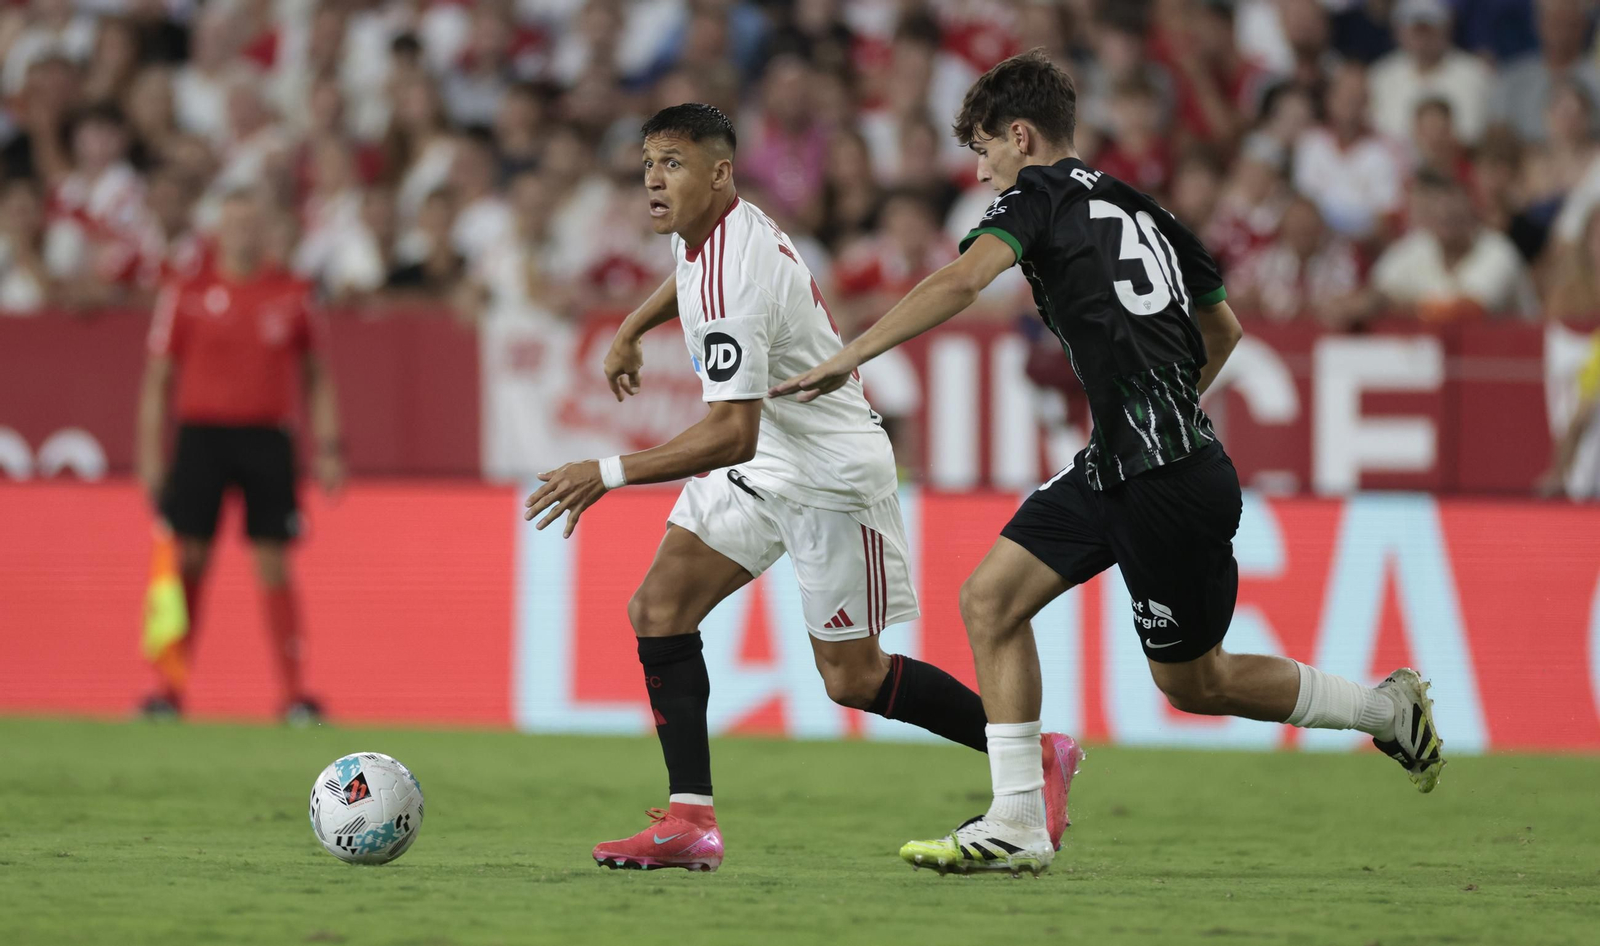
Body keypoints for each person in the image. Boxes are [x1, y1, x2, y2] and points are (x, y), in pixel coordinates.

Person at [773, 50, 1446, 878]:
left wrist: (852, 353)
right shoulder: (1147, 208)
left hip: (1162, 484)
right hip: (1128, 463)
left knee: (1195, 683)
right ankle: (1018, 818)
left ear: (1022, 138)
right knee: (990, 600)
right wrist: (1157, 409)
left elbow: (963, 281)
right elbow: (1225, 330)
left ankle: (1384, 709)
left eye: (984, 149)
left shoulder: (1036, 195)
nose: (981, 172)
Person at [522, 104, 1082, 874]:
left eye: (673, 163)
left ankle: (1034, 753)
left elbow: (731, 434)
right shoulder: (707, 228)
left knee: (854, 679)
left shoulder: (738, 270)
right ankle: (690, 821)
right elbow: (688, 277)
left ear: (720, 173)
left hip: (829, 472)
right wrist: (631, 327)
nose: (653, 178)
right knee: (659, 608)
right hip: (769, 461)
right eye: (649, 162)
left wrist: (607, 472)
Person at [136, 186, 344, 724]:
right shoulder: (186, 291)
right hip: (201, 437)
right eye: (233, 222)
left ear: (266, 230)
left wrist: (328, 447)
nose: (242, 232)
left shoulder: (293, 292)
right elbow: (158, 378)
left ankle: (294, 694)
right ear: (218, 230)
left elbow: (317, 375)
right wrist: (150, 455)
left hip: (267, 437)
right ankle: (167, 689)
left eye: (252, 223)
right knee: (188, 559)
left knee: (273, 561)